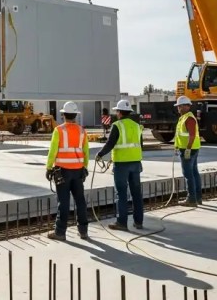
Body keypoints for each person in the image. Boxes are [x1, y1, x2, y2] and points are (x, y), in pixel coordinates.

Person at [95, 99, 144, 231]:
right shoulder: (136, 126)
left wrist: (100, 154)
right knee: (136, 194)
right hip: (135, 163)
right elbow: (140, 145)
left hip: (122, 164)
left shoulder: (117, 125)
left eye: (117, 111)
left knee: (121, 193)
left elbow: (110, 144)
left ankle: (122, 222)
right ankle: (138, 222)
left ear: (120, 112)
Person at [45, 101, 90, 241]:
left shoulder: (58, 130)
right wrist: (85, 167)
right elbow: (86, 152)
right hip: (78, 171)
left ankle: (60, 232)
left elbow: (53, 151)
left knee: (63, 203)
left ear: (63, 115)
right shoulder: (82, 131)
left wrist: (48, 167)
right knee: (80, 201)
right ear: (76, 115)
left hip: (62, 171)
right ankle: (83, 231)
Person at [175, 96, 202, 207]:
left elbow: (191, 135)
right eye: (178, 106)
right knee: (194, 173)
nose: (179, 108)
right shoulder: (184, 118)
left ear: (186, 106)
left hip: (189, 150)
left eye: (180, 106)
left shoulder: (189, 119)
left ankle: (191, 199)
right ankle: (197, 198)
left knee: (188, 174)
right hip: (191, 149)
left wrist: (187, 149)